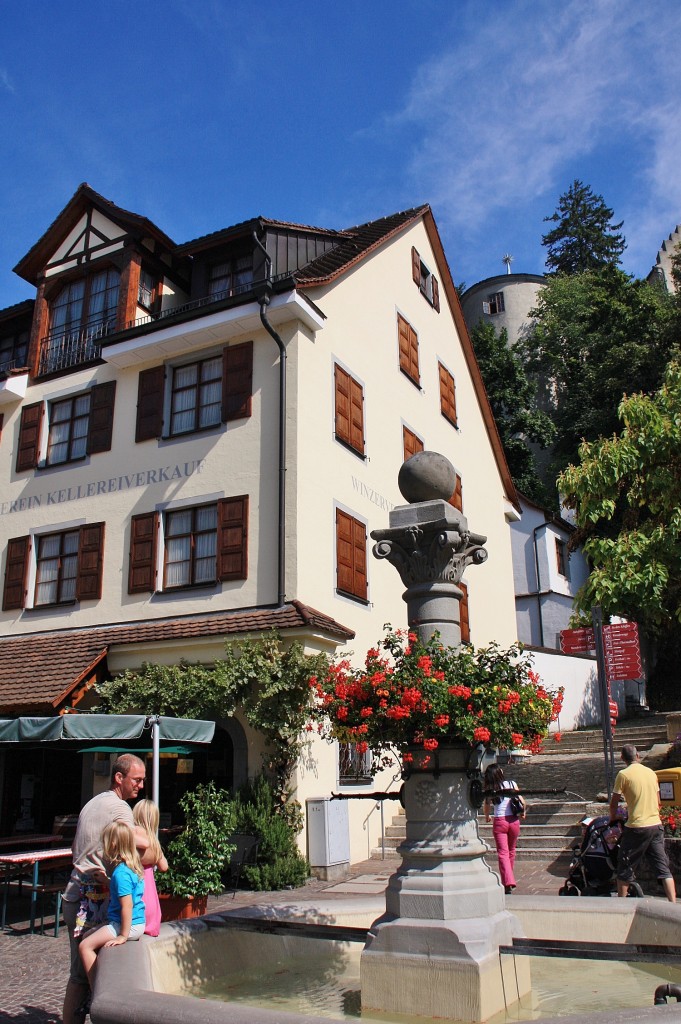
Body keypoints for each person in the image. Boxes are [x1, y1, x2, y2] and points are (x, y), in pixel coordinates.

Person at [62, 753, 148, 1024]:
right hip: (93, 901)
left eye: (143, 780)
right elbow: (142, 848)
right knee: (103, 976)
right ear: (118, 778)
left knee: (78, 977)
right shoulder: (120, 810)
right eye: (136, 780)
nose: (141, 786)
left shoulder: (93, 802)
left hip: (75, 894)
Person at [78, 821, 146, 981]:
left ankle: (97, 989)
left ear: (113, 845)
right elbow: (123, 891)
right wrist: (106, 881)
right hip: (136, 922)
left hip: (126, 925)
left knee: (85, 946)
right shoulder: (131, 867)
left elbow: (127, 906)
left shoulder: (121, 873)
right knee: (87, 935)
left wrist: (122, 935)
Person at [609, 743, 676, 902]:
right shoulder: (651, 773)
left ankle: (622, 904)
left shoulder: (623, 775)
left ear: (622, 758)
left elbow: (614, 803)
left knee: (624, 866)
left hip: (637, 827)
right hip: (655, 825)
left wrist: (613, 817)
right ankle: (673, 904)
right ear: (638, 756)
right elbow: (657, 799)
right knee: (663, 868)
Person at [484, 762, 525, 894]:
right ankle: (509, 878)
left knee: (503, 852)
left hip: (500, 821)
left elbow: (487, 805)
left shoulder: (491, 789)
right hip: (513, 820)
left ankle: (508, 881)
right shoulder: (512, 784)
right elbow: (521, 800)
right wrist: (523, 811)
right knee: (511, 850)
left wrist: (487, 816)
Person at [133, 799, 169, 936]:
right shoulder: (154, 841)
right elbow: (164, 867)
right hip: (151, 896)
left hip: (137, 892)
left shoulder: (135, 832)